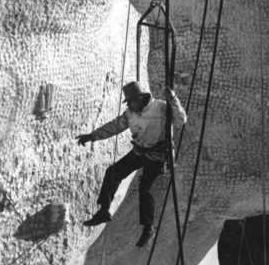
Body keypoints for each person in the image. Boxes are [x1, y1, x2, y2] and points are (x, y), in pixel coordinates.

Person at [76, 81, 187, 247]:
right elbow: (114, 126)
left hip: (158, 155)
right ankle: (104, 210)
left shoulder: (161, 107)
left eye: (131, 101)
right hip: (140, 151)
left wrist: (173, 99)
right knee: (113, 172)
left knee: (145, 188)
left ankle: (148, 228)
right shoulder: (130, 113)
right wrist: (92, 136)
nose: (130, 105)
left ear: (141, 98)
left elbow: (181, 120)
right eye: (128, 103)